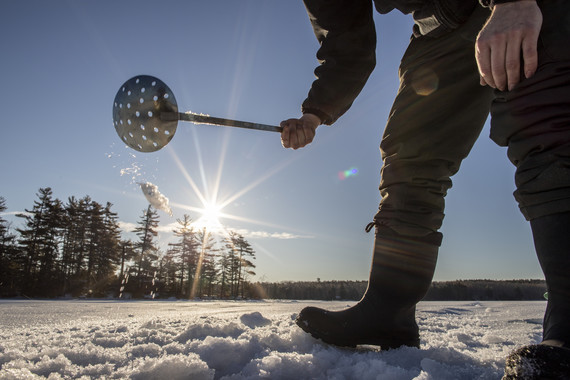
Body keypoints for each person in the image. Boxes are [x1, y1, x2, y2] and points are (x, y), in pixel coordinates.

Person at [280, 0, 570, 377]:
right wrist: (314, 113)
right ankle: (388, 311)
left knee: (547, 127)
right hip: (442, 27)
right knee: (410, 156)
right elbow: (345, 44)